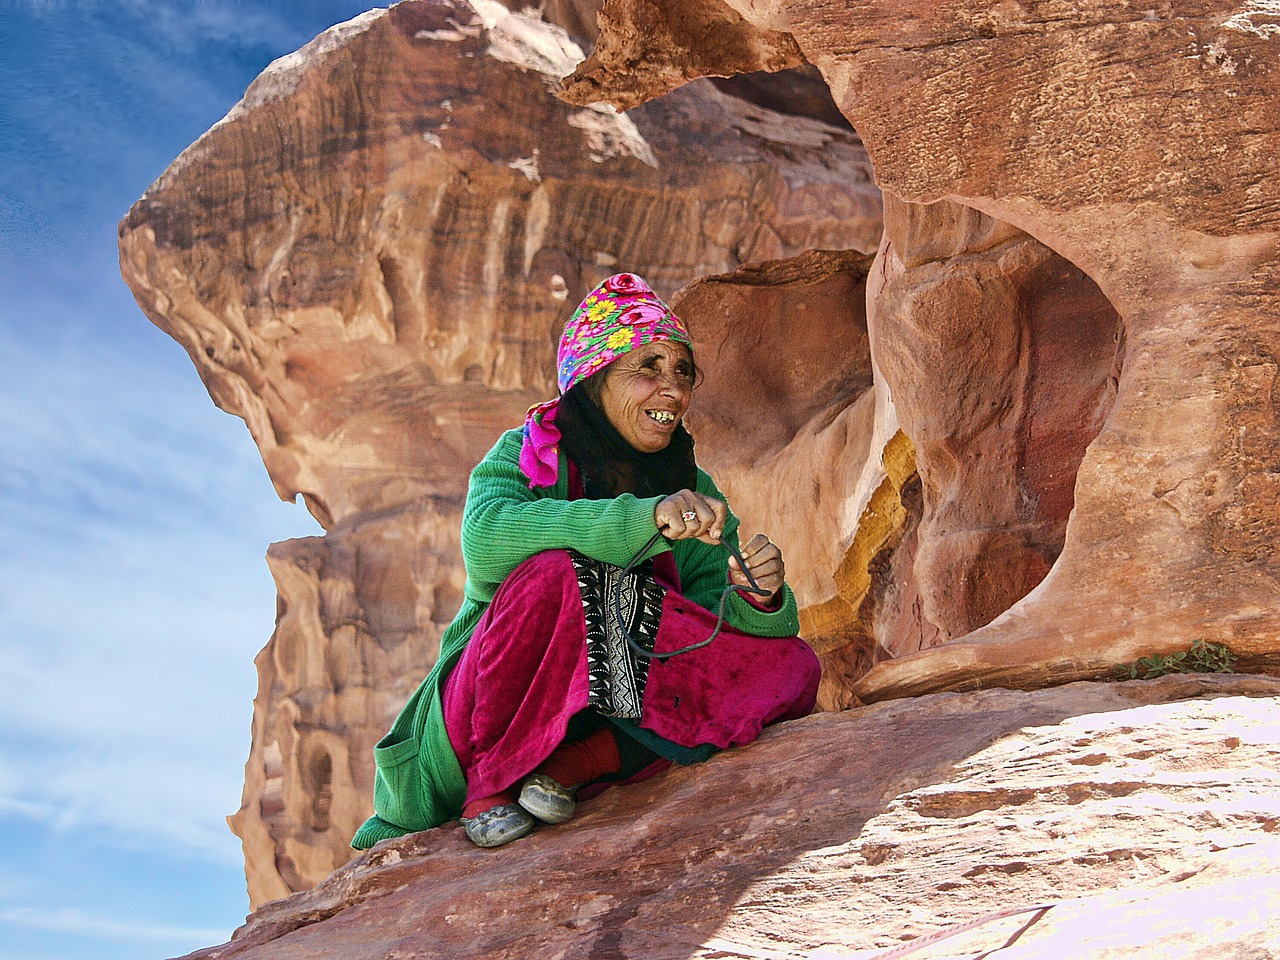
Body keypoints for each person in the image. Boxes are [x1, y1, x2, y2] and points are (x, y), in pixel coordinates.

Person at [352, 273, 820, 850]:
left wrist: (756, 595)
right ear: (595, 379)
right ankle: (495, 781)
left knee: (792, 666)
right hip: (489, 703)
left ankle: (576, 764)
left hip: (616, 699)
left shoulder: (691, 484)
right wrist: (641, 520)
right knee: (554, 576)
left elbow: (707, 619)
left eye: (682, 372)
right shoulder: (527, 454)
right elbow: (486, 542)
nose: (672, 390)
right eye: (647, 367)